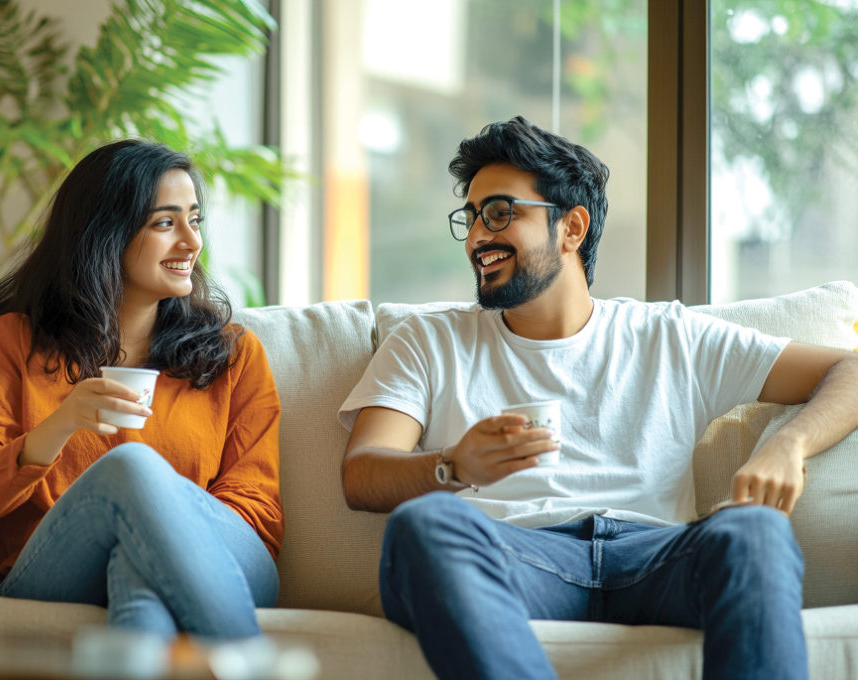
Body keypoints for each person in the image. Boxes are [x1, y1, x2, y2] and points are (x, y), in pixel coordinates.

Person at [338, 115, 858, 679]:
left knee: (756, 532)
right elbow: (363, 473)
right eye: (470, 219)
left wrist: (788, 444)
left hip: (657, 557)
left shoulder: (669, 335)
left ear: (572, 228)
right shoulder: (429, 340)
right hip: (514, 557)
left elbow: (848, 369)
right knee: (425, 527)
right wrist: (452, 466)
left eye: (498, 213)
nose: (476, 238)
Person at [0, 140, 282, 640]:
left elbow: (257, 506)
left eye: (195, 220)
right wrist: (59, 427)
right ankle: (248, 663)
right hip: (57, 572)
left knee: (136, 556)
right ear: (105, 234)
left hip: (230, 562)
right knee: (130, 471)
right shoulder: (10, 344)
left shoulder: (234, 355)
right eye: (165, 223)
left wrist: (157, 533)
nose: (191, 242)